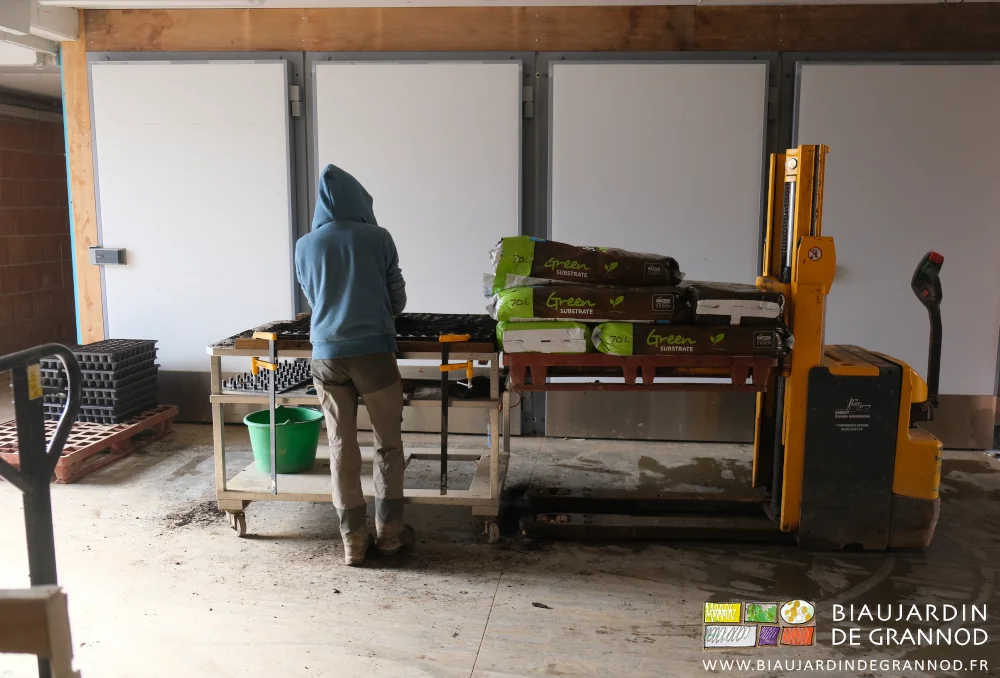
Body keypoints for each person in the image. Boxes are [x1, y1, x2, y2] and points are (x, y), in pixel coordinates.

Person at [295, 164, 410, 566]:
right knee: (388, 444)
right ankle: (391, 535)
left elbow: (312, 297)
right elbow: (397, 297)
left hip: (326, 356)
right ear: (360, 201)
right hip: (375, 354)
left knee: (342, 446)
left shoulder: (304, 244)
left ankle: (352, 541)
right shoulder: (378, 238)